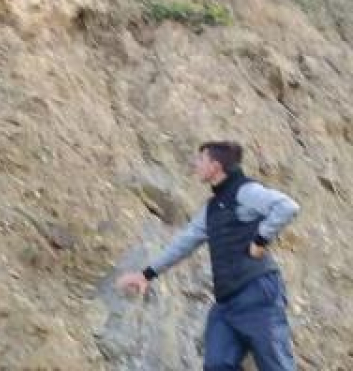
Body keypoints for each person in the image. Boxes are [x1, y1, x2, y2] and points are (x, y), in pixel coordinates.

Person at [116, 141, 300, 371]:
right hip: (227, 302)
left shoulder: (246, 192)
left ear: (215, 166)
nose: (195, 164)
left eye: (200, 160)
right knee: (216, 364)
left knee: (276, 365)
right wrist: (146, 274)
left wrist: (260, 239)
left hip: (258, 294)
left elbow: (287, 207)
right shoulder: (213, 207)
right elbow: (184, 243)